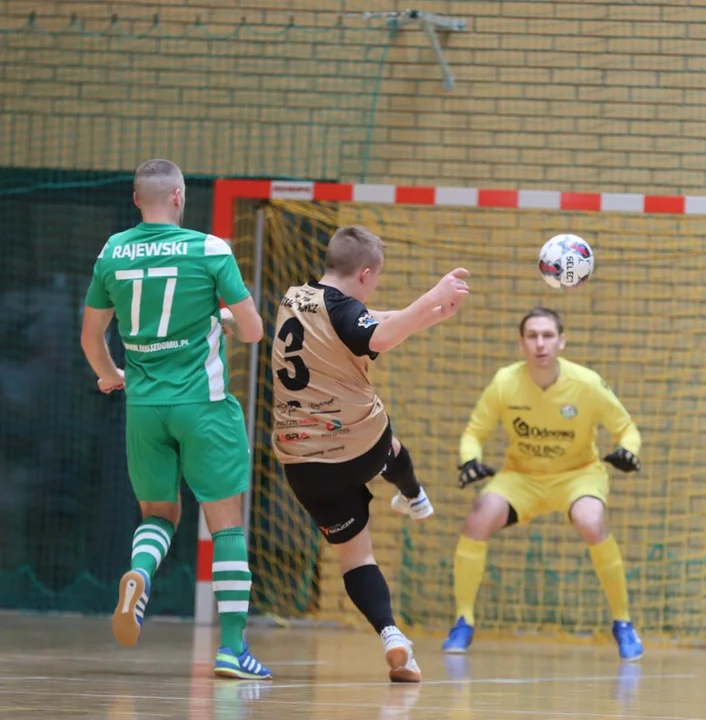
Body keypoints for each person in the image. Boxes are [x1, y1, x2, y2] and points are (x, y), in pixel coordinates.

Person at [81, 158, 271, 680]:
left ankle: (140, 572)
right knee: (226, 527)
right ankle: (232, 649)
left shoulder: (112, 251)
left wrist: (111, 375)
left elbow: (90, 338)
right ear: (181, 198)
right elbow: (254, 331)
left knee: (159, 514)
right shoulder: (210, 248)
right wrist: (226, 319)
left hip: (144, 408)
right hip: (204, 407)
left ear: (136, 199)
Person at [270, 224, 470, 683]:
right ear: (365, 274)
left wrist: (433, 313)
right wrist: (430, 296)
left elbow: (370, 322)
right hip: (356, 447)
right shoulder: (345, 312)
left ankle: (392, 635)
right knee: (386, 437)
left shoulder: (295, 297)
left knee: (356, 557)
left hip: (301, 461)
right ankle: (414, 494)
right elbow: (375, 335)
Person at [444, 307, 645, 660]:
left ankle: (623, 623)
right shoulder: (505, 382)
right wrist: (469, 460)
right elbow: (474, 432)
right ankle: (463, 620)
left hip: (577, 474)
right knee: (478, 516)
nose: (540, 343)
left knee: (590, 521)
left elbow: (626, 428)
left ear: (562, 341)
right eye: (532, 336)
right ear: (521, 343)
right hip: (521, 476)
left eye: (548, 335)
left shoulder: (586, 383)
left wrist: (628, 450)